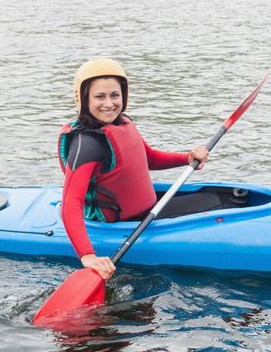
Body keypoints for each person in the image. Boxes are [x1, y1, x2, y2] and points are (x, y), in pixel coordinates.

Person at [57, 58, 209, 281]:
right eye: (100, 96)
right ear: (84, 99)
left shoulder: (121, 123)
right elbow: (71, 202)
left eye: (114, 95)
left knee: (226, 198)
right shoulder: (87, 143)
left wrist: (186, 158)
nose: (109, 104)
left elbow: (150, 158)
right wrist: (88, 256)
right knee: (218, 204)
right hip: (120, 223)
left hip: (147, 211)